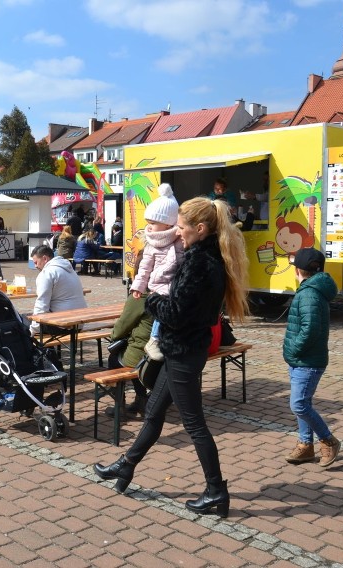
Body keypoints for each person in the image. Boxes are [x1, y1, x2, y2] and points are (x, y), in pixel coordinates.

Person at [94, 197, 250, 519]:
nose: (178, 233)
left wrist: (150, 300)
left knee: (194, 424)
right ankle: (126, 467)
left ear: (200, 229)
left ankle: (216, 489)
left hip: (183, 350)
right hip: (183, 348)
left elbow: (175, 314)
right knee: (153, 411)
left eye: (181, 227)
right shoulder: (206, 257)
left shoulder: (198, 264)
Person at [284, 247, 341, 467]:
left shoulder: (309, 293)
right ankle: (305, 446)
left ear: (298, 269)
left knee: (299, 404)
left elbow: (310, 329)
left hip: (307, 360)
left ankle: (328, 440)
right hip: (303, 359)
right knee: (303, 402)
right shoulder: (312, 288)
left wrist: (293, 350)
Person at [129, 183, 184, 361]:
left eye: (153, 223)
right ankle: (154, 340)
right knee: (162, 310)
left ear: (168, 223)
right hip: (159, 286)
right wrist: (138, 286)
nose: (149, 227)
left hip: (175, 284)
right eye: (148, 223)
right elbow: (144, 268)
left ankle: (165, 338)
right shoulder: (152, 244)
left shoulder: (178, 240)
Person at [28, 245, 87, 336]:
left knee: (23, 320)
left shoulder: (46, 273)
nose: (35, 266)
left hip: (62, 326)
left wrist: (32, 330)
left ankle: (43, 349)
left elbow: (41, 304)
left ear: (45, 258)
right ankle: (49, 349)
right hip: (79, 323)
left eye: (36, 262)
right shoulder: (69, 269)